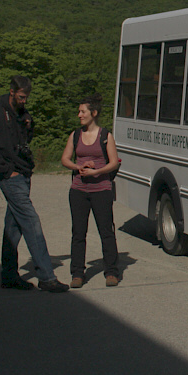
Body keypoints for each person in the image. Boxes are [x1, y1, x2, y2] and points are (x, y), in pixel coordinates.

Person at [0, 75, 69, 292]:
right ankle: (47, 277)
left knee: (13, 227)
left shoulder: (21, 114)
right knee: (31, 222)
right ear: (11, 92)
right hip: (11, 177)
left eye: (26, 98)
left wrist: (29, 126)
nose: (24, 101)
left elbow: (23, 142)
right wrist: (5, 171)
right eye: (21, 97)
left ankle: (9, 275)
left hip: (24, 174)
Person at [60, 94, 120, 288]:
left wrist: (97, 171)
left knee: (106, 232)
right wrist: (78, 167)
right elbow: (65, 159)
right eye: (79, 111)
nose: (79, 115)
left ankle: (111, 272)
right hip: (78, 190)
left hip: (101, 190)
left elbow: (113, 163)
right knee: (78, 233)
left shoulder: (105, 136)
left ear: (93, 113)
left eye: (83, 111)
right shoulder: (76, 135)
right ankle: (77, 273)